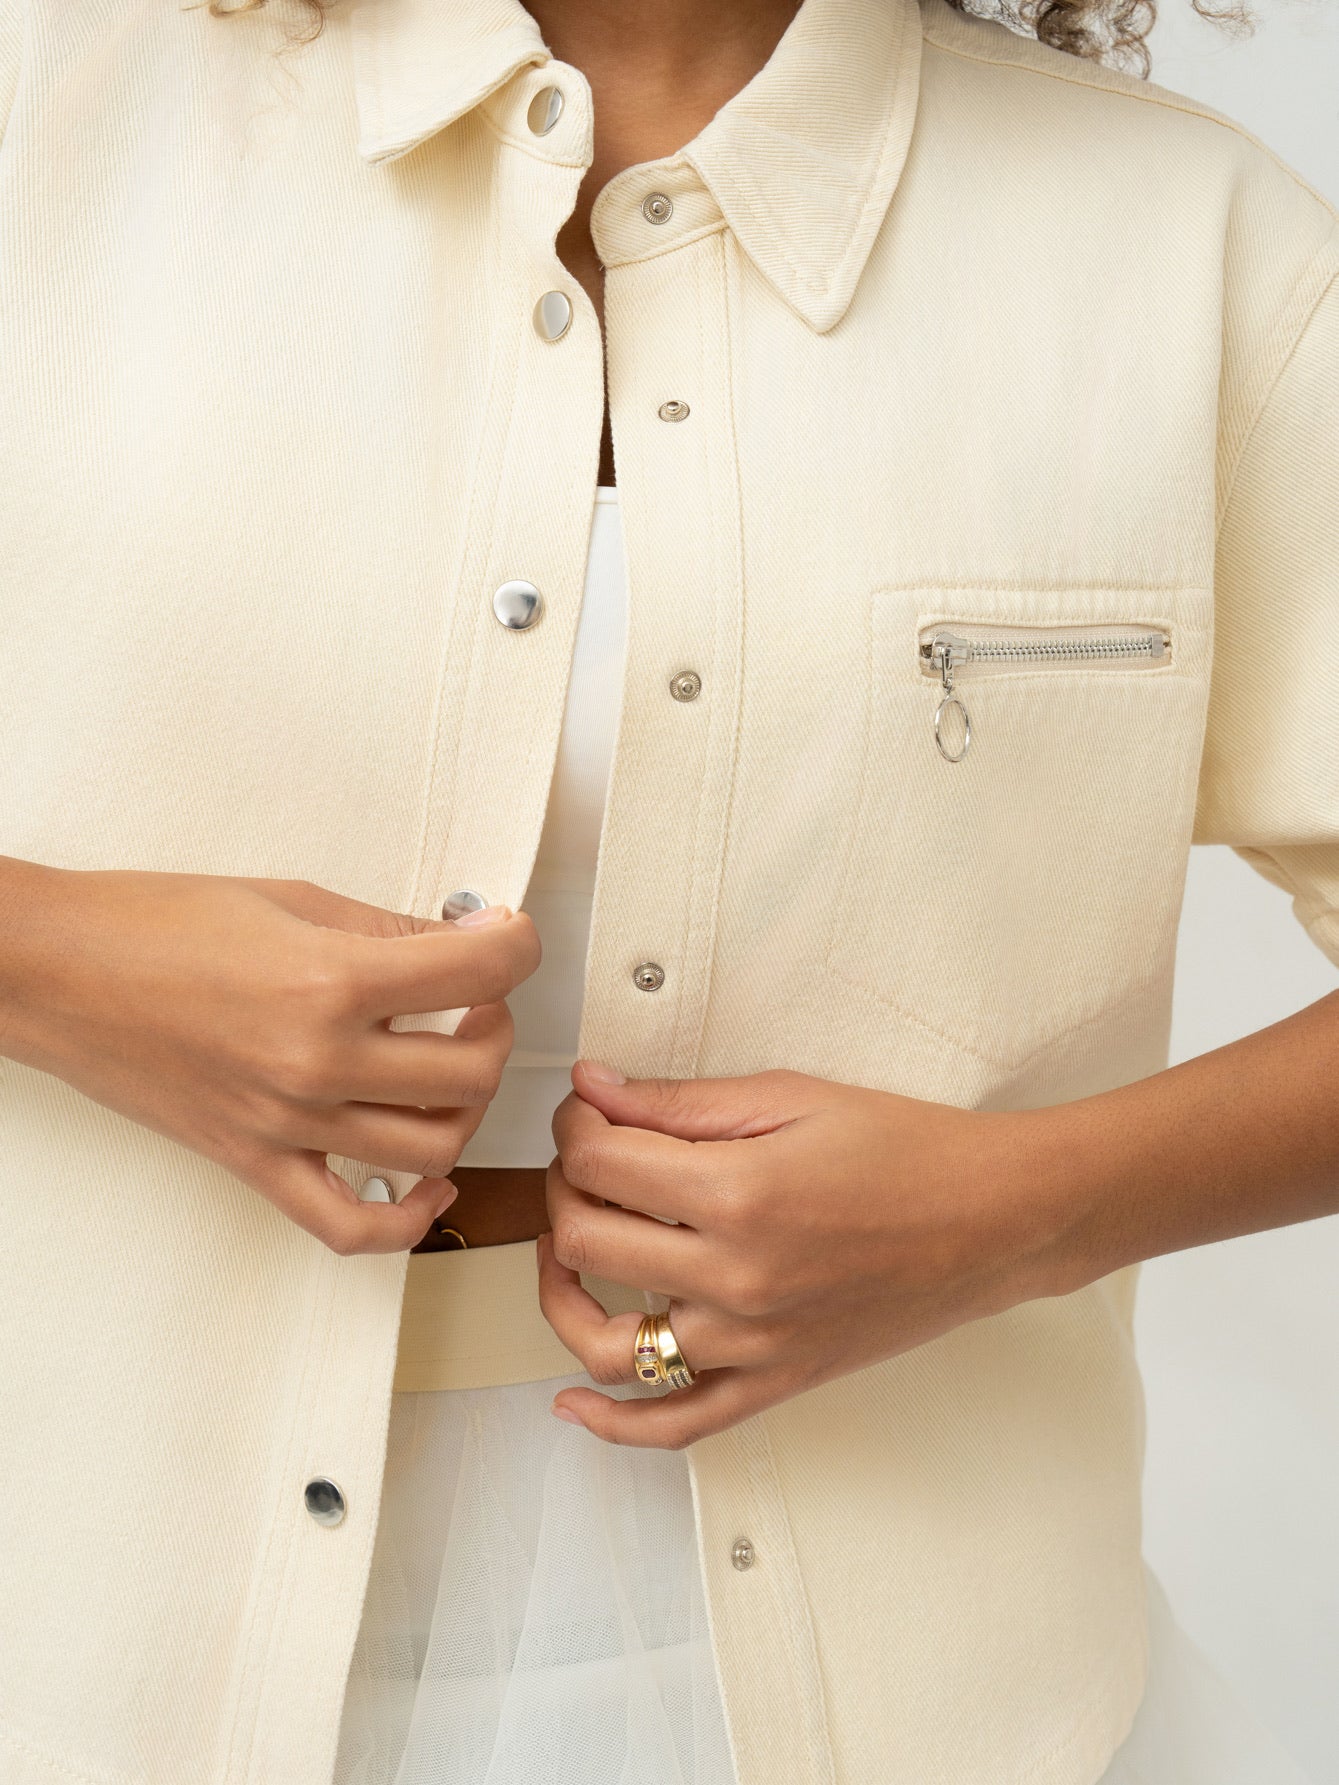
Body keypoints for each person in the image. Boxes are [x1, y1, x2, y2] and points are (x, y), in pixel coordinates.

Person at [0, 0, 1335, 1781]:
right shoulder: (50, 114)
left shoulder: (1197, 253)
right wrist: (50, 960)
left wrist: (1019, 1209)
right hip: (82, 1636)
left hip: (933, 1691)